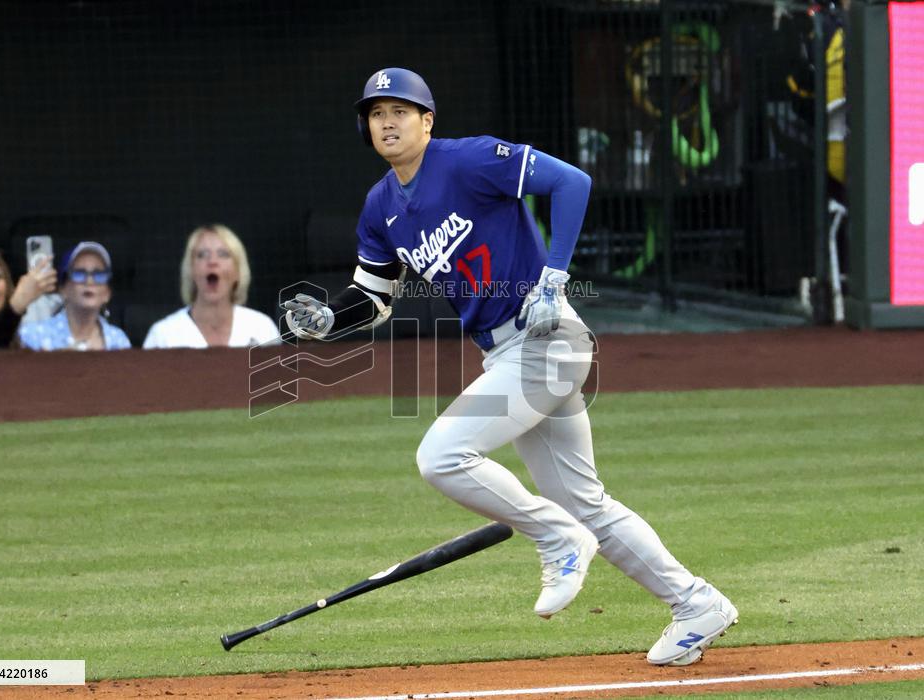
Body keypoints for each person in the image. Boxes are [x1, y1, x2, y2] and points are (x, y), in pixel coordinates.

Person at [283, 68, 738, 666]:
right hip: (505, 353)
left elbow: (571, 182)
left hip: (546, 338)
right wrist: (326, 322)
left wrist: (555, 272)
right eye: (375, 113)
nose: (387, 122)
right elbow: (373, 298)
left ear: (427, 119)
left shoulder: (468, 160)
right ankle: (695, 602)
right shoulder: (379, 207)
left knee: (441, 456)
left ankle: (555, 538)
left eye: (400, 110)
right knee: (585, 503)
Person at [143, 224, 280, 349]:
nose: (212, 261)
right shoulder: (163, 335)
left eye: (223, 254)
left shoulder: (262, 328)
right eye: (202, 255)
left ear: (238, 271)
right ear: (190, 270)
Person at [18, 241, 130, 351]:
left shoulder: (119, 341)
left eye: (99, 274)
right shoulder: (32, 336)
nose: (89, 281)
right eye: (79, 273)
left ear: (107, 294)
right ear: (63, 289)